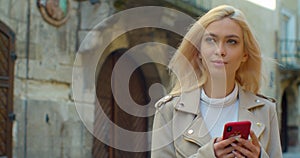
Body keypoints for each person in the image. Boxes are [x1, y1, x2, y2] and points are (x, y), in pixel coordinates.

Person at [151, 5, 282, 158]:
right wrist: (208, 155)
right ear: (198, 51)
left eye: (231, 41)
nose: (220, 50)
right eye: (211, 40)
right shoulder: (168, 111)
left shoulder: (265, 110)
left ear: (245, 54)